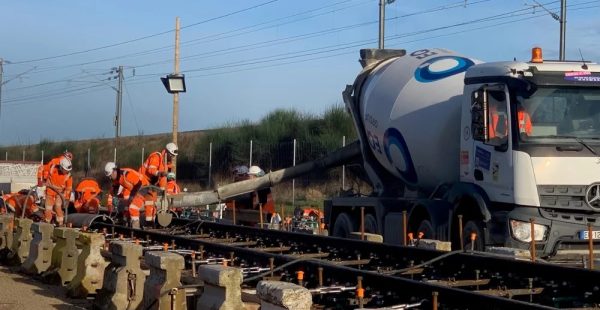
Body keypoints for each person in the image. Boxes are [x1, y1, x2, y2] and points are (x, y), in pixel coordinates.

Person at [105, 162, 153, 229]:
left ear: (114, 171)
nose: (110, 178)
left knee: (133, 208)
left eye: (110, 175)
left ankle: (135, 229)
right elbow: (115, 187)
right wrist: (115, 197)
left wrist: (132, 196)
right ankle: (126, 226)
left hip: (144, 188)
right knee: (126, 209)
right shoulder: (116, 177)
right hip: (137, 190)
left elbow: (138, 184)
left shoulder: (126, 174)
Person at [139, 142, 178, 221]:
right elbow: (151, 170)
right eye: (172, 155)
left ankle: (151, 220)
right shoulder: (156, 156)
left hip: (151, 183)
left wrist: (164, 191)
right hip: (142, 180)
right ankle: (148, 221)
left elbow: (162, 179)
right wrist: (161, 173)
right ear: (168, 153)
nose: (173, 157)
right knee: (149, 201)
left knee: (152, 202)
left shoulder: (165, 164)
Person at [44, 157, 73, 226]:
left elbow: (68, 189)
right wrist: (41, 179)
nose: (67, 172)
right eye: (66, 170)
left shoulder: (69, 176)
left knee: (58, 206)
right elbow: (41, 169)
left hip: (60, 193)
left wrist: (66, 199)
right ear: (61, 167)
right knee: (48, 208)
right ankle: (47, 223)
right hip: (50, 190)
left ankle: (60, 223)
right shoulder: (52, 168)